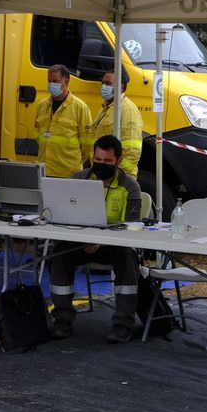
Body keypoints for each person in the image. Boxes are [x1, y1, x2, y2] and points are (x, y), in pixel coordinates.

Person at [47, 135, 142, 344]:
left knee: (127, 258)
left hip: (115, 245)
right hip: (78, 243)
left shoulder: (130, 186)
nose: (101, 165)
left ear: (118, 160)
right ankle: (62, 319)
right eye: (98, 160)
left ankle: (123, 324)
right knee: (59, 254)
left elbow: (132, 226)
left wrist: (102, 239)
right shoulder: (77, 179)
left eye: (107, 161)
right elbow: (57, 212)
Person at [37, 64, 91, 179]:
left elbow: (87, 144)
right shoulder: (42, 105)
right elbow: (37, 135)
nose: (51, 84)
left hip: (68, 173)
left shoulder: (80, 107)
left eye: (55, 81)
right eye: (49, 81)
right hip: (44, 170)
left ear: (66, 82)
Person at [86, 70, 143, 177]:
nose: (104, 87)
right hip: (100, 173)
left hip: (117, 178)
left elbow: (132, 151)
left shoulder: (128, 110)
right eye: (103, 83)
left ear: (122, 87)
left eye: (108, 83)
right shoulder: (106, 108)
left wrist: (117, 175)